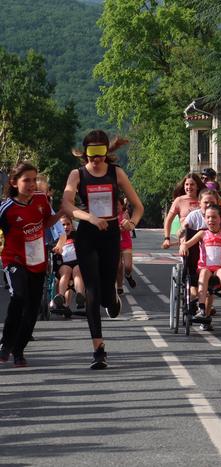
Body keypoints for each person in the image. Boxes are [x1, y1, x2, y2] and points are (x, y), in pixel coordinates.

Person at [62, 130, 144, 369]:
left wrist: (132, 222)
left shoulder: (115, 173)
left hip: (110, 234)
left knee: (106, 294)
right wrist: (88, 217)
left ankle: (113, 297)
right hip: (87, 234)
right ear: (85, 152)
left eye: (101, 152)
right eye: (92, 152)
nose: (96, 158)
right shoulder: (77, 175)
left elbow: (138, 206)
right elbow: (66, 203)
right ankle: (99, 349)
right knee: (91, 291)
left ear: (107, 152)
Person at [0, 162, 61, 367]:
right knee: (18, 296)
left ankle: (19, 350)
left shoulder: (41, 200)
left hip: (38, 260)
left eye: (34, 180)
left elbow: (46, 223)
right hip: (14, 259)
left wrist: (63, 213)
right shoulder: (6, 209)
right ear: (14, 183)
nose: (32, 184)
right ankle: (5, 344)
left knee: (32, 309)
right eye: (26, 180)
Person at [181, 188, 221, 328]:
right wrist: (183, 234)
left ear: (217, 203)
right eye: (206, 202)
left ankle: (206, 315)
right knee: (194, 287)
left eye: (212, 202)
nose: (209, 205)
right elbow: (184, 230)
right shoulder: (194, 216)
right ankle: (197, 305)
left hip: (216, 257)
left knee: (210, 287)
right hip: (195, 257)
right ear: (200, 203)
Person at [51, 215, 86, 315]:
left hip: (77, 262)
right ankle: (60, 297)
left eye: (68, 224)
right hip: (64, 264)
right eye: (63, 225)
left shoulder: (77, 235)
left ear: (72, 225)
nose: (66, 227)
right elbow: (52, 250)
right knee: (65, 273)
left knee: (77, 271)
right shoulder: (57, 238)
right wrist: (55, 250)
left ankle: (80, 295)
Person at [116, 198, 136, 295]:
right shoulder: (109, 216)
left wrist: (124, 226)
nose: (116, 207)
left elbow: (128, 227)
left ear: (121, 206)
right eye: (114, 205)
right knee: (118, 266)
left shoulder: (125, 214)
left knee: (127, 266)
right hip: (115, 244)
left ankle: (128, 275)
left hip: (125, 242)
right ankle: (120, 287)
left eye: (118, 205)